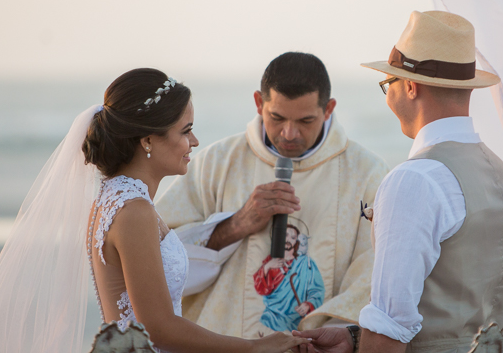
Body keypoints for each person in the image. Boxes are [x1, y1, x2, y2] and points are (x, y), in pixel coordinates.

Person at [0, 68, 308, 353]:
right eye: (185, 130)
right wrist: (252, 348)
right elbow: (158, 328)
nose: (195, 142)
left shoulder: (115, 199)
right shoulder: (133, 211)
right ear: (147, 140)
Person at [295, 11, 503, 353]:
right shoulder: (499, 172)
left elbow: (390, 327)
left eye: (388, 83)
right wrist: (354, 338)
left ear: (409, 86)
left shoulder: (414, 180)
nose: (388, 94)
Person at [155, 52, 388, 337]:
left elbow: (373, 275)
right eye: (276, 118)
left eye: (305, 121)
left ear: (328, 109)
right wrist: (236, 224)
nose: (289, 134)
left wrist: (334, 331)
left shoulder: (367, 174)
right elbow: (159, 265)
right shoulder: (216, 162)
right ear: (258, 103)